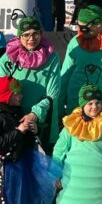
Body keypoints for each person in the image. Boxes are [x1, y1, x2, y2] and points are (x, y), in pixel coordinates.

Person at [53, 83, 102, 204]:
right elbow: (59, 150)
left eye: (97, 103)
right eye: (90, 103)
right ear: (83, 105)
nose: (94, 106)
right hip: (76, 184)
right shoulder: (71, 123)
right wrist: (54, 173)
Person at [0, 16, 61, 151]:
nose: (31, 38)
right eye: (26, 35)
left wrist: (34, 115)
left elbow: (53, 94)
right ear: (19, 36)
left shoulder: (52, 58)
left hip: (40, 123)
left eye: (35, 34)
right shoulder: (8, 57)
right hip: (14, 124)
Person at [0, 75, 61, 204]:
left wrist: (34, 130)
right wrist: (18, 131)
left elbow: (26, 138)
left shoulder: (17, 111)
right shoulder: (1, 117)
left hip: (23, 162)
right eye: (17, 94)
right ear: (7, 96)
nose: (22, 96)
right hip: (8, 168)